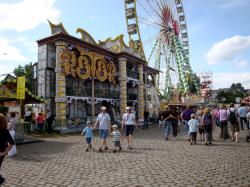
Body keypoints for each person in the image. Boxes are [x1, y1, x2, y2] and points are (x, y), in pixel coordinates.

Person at [0, 115, 14, 185]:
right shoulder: (5, 131)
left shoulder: (5, 131)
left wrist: (4, 153)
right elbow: (11, 143)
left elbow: (11, 143)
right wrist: (4, 153)